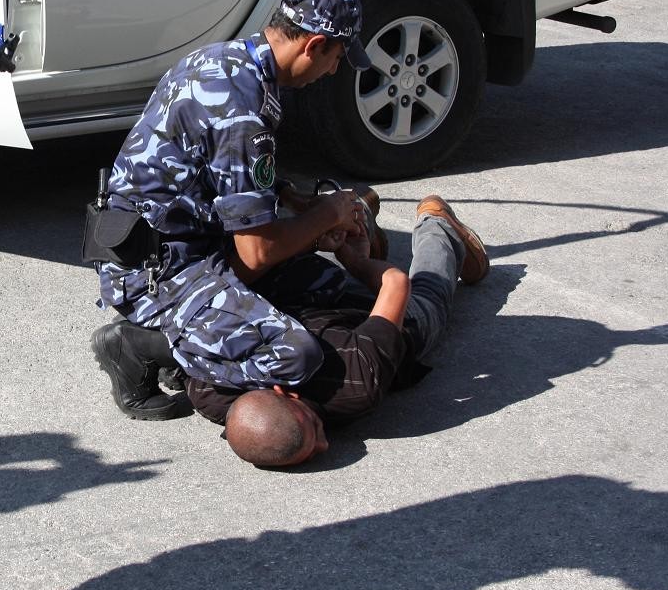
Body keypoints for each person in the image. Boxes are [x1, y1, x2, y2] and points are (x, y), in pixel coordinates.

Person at [88, 0, 377, 421]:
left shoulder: (228, 61)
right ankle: (142, 346)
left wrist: (290, 198)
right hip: (159, 275)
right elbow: (257, 252)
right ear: (313, 45)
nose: (334, 71)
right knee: (296, 355)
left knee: (335, 292)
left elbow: (217, 166)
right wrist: (326, 214)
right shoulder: (242, 111)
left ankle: (209, 335)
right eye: (337, 58)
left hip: (190, 244)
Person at [192, 195, 489, 468]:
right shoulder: (207, 390)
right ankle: (352, 214)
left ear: (283, 392)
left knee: (428, 303)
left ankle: (438, 227)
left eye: (315, 428)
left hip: (325, 295)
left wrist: (358, 263)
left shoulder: (354, 382)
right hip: (306, 290)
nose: (324, 444)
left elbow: (396, 285)